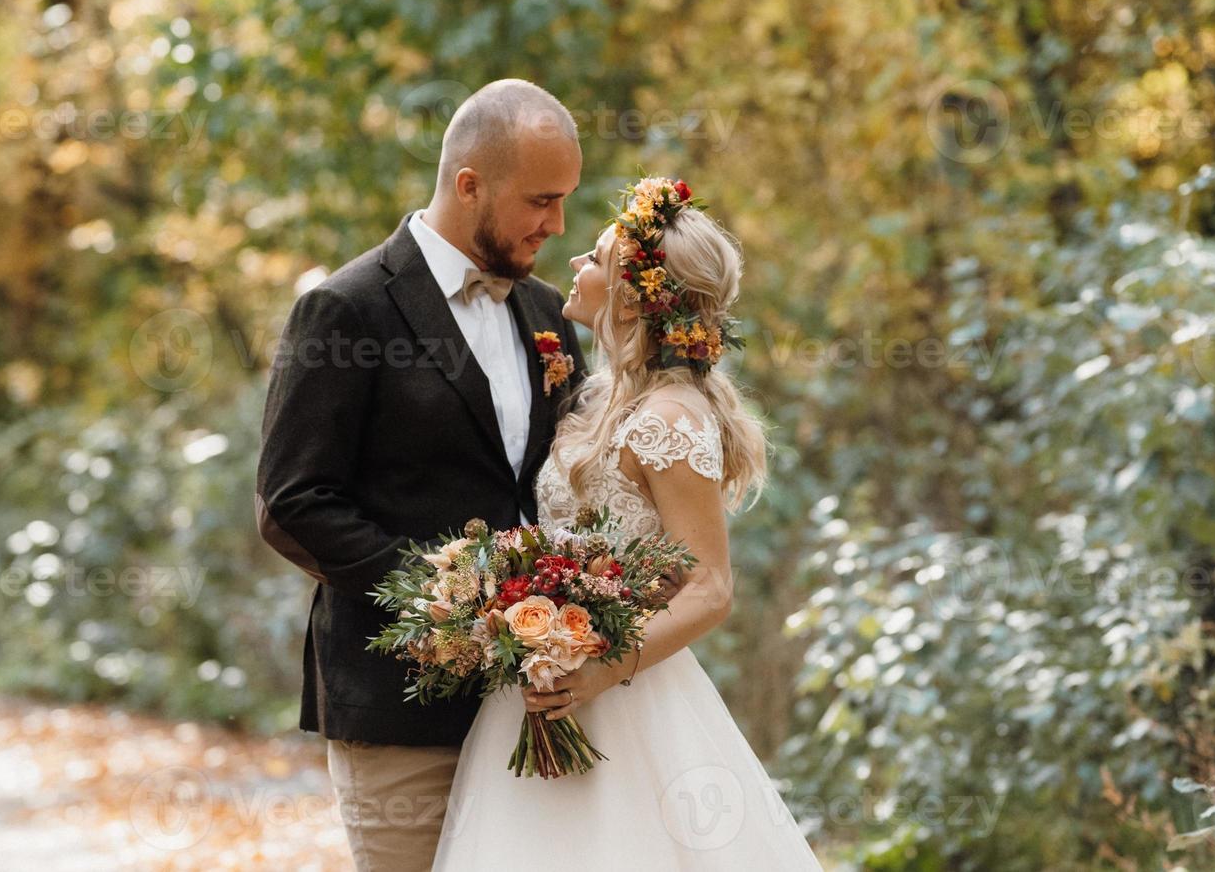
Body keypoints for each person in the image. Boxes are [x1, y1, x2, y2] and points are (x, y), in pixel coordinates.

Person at [431, 178, 824, 869]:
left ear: (633, 294)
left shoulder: (670, 418)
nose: (576, 265)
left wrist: (598, 672)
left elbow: (709, 587)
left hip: (622, 697)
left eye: (596, 258)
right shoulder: (606, 395)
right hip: (541, 687)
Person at [255, 78, 587, 872]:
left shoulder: (551, 316)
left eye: (565, 199)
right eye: (541, 200)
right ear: (469, 184)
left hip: (536, 708)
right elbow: (293, 501)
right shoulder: (346, 310)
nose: (558, 223)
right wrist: (445, 604)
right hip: (399, 706)